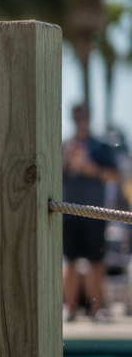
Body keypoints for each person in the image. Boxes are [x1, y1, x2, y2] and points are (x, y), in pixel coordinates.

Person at [63, 103, 120, 321]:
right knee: (70, 261)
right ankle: (70, 308)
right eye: (77, 116)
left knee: (96, 262)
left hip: (96, 212)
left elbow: (115, 176)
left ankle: (97, 310)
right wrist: (67, 160)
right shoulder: (66, 145)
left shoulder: (101, 146)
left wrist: (91, 169)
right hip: (70, 212)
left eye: (83, 115)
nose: (81, 119)